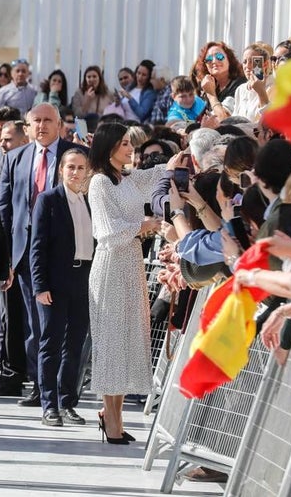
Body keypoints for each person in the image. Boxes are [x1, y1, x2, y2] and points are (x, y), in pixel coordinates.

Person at [0, 103, 83, 407]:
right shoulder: (14, 158)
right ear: (27, 127)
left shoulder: (74, 155)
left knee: (65, 326)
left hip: (64, 252)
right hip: (24, 253)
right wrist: (4, 257)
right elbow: (4, 209)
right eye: (37, 121)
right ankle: (40, 385)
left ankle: (63, 387)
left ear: (59, 125)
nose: (43, 126)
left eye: (49, 120)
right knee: (35, 325)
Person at [86, 121, 165, 444]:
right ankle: (112, 419)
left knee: (129, 337)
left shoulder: (129, 178)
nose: (129, 148)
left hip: (131, 263)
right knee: (111, 340)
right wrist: (144, 224)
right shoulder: (100, 183)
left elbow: (158, 175)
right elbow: (107, 230)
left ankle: (113, 415)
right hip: (110, 264)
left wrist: (183, 158)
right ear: (108, 147)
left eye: (129, 143)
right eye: (122, 144)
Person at [28, 149, 95, 427]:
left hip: (84, 280)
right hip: (55, 283)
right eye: (70, 167)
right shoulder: (48, 200)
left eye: (80, 168)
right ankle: (49, 404)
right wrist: (40, 285)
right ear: (61, 170)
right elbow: (38, 246)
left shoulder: (91, 201)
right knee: (51, 343)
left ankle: (68, 402)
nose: (75, 172)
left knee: (75, 345)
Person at [194, 41, 246, 119]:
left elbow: (223, 119)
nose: (214, 61)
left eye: (219, 56)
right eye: (209, 59)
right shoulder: (210, 86)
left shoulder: (239, 84)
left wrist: (211, 95)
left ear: (229, 59)